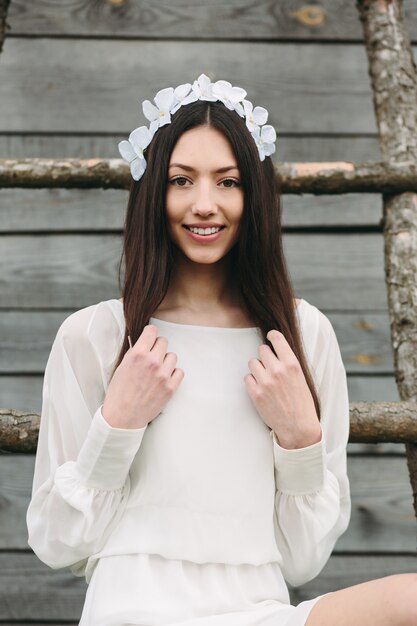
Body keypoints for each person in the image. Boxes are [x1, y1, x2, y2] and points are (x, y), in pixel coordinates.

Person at [26, 73, 416, 626]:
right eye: (181, 180)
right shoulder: (96, 335)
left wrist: (301, 439)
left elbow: (303, 559)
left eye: (227, 182)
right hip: (131, 606)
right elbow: (56, 541)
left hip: (258, 609)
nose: (204, 204)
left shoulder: (301, 337)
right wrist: (118, 423)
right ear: (154, 193)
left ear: (253, 195)